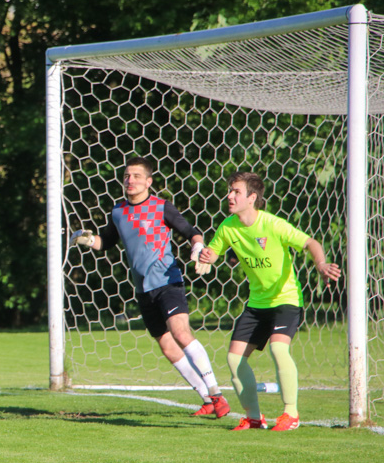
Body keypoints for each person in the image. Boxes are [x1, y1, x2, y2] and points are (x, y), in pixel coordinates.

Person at [70, 156, 230, 418]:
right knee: (167, 346)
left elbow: (191, 231)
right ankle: (207, 399)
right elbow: (105, 242)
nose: (130, 181)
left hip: (168, 282)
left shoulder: (161, 207)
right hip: (143, 289)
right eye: (126, 176)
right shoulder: (118, 212)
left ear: (148, 181)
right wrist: (86, 239)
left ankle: (216, 393)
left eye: (136, 176)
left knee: (180, 332)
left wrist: (198, 247)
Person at [199, 171, 341, 431]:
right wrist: (207, 256)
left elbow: (310, 242)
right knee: (234, 359)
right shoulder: (228, 226)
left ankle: (291, 414)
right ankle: (254, 417)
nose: (230, 196)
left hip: (286, 300)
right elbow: (214, 252)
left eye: (236, 192)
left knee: (278, 349)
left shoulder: (273, 224)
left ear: (252, 198)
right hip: (257, 304)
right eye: (230, 191)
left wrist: (321, 264)